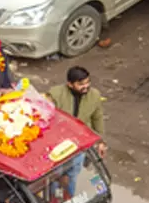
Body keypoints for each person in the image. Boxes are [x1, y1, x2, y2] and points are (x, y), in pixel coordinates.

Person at [46, 66, 107, 195]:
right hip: (57, 145)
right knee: (55, 177)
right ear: (70, 84)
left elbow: (97, 118)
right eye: (81, 84)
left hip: (79, 144)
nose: (86, 86)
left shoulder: (94, 95)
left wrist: (100, 141)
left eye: (87, 82)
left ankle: (69, 200)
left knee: (72, 175)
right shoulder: (55, 95)